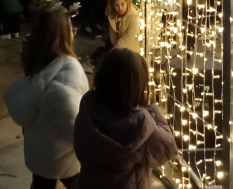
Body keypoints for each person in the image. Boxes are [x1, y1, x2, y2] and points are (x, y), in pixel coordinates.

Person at [4, 8, 89, 189]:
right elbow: (74, 124)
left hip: (39, 148)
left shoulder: (39, 61)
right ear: (63, 36)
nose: (74, 32)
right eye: (71, 29)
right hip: (61, 155)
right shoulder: (69, 73)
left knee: (42, 183)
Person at [74, 48, 177, 188]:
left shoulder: (88, 108)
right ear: (136, 86)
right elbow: (167, 148)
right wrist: (151, 106)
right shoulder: (140, 123)